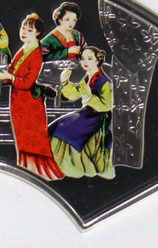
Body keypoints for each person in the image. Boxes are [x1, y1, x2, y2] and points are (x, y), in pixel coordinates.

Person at [0, 14, 64, 180]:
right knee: (22, 137)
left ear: (38, 33)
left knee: (33, 137)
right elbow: (13, 69)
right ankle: (24, 168)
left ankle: (39, 171)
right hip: (17, 100)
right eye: (23, 28)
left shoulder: (36, 54)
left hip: (30, 102)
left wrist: (9, 77)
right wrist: (4, 72)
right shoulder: (24, 48)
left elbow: (27, 82)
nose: (24, 32)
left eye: (29, 30)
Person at [49, 46, 115, 179]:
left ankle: (72, 166)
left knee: (65, 129)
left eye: (89, 58)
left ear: (97, 60)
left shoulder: (104, 81)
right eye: (83, 59)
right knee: (56, 126)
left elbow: (106, 105)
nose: (85, 62)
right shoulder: (87, 78)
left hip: (98, 116)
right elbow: (75, 94)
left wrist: (90, 97)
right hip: (88, 113)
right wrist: (65, 82)